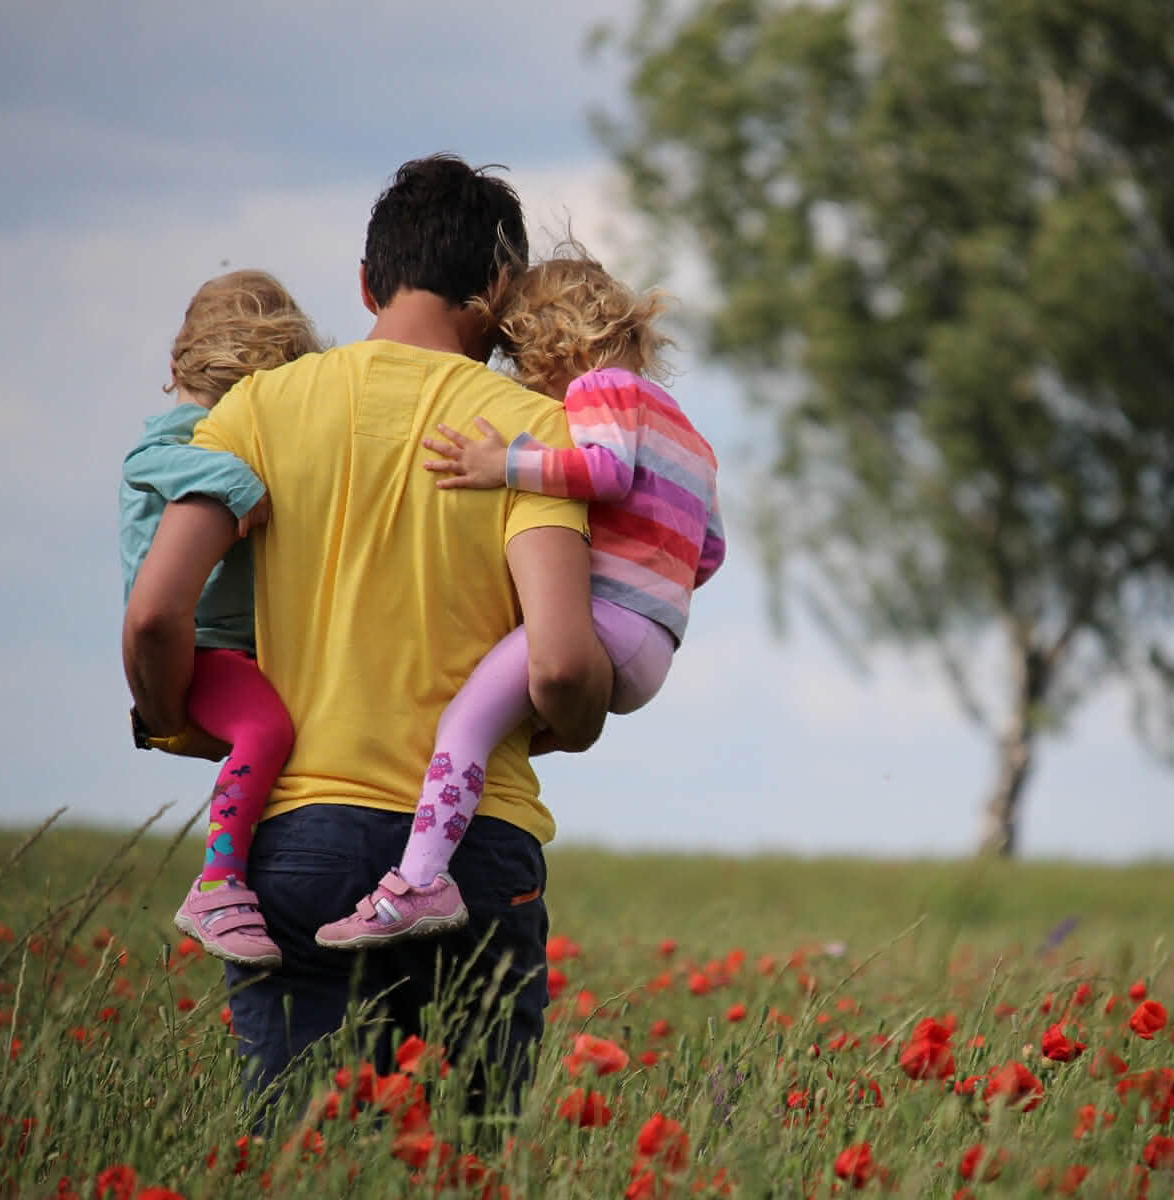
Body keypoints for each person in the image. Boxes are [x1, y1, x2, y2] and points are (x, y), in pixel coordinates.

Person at [122, 155, 613, 1106]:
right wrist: (581, 718)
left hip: (297, 840)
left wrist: (176, 716)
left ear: (365, 283)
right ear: (501, 289)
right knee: (468, 1156)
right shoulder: (533, 434)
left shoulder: (257, 408)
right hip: (474, 849)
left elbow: (153, 611)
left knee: (302, 1150)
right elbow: (559, 665)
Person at [315, 245, 726, 949]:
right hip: (655, 643)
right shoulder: (690, 434)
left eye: (523, 359)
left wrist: (504, 464)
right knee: (502, 725)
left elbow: (605, 472)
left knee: (463, 725)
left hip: (605, 621)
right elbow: (709, 552)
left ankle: (419, 882)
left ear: (555, 343)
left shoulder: (601, 388)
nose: (525, 379)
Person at [120, 270, 321, 968]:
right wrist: (237, 481)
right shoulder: (186, 434)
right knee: (267, 730)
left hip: (235, 646)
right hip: (202, 646)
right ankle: (218, 882)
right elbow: (147, 460)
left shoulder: (216, 427)